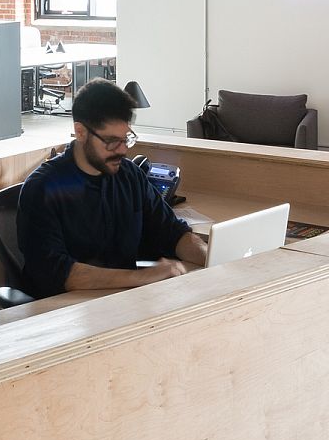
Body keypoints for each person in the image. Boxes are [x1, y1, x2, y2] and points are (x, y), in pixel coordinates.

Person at [16, 80, 208, 298]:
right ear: (80, 132)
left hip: (119, 300)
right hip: (60, 310)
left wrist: (214, 259)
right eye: (111, 141)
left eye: (126, 139)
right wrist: (141, 277)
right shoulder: (43, 188)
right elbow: (58, 273)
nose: (123, 150)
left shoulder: (130, 176)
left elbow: (173, 233)